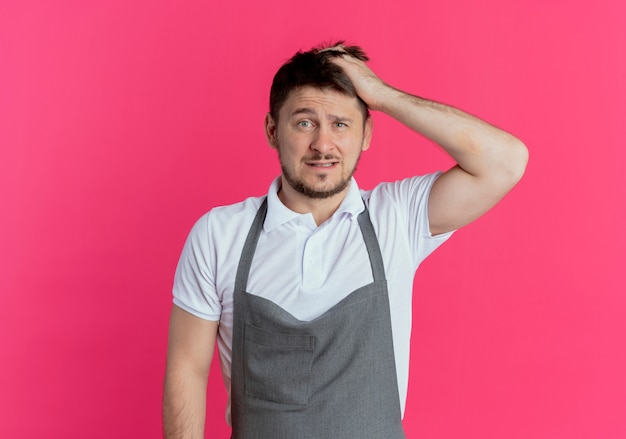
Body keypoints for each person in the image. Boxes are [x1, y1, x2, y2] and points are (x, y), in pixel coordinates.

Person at [163, 41, 528, 439]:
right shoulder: (220, 233)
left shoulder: (397, 217)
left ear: (366, 134)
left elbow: (505, 162)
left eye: (341, 124)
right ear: (272, 130)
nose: (323, 144)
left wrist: (382, 95)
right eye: (305, 123)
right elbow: (187, 370)